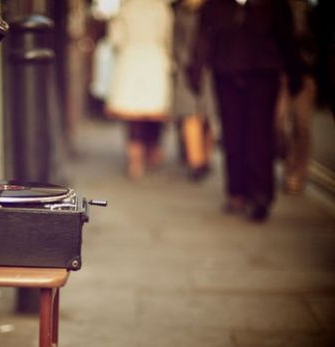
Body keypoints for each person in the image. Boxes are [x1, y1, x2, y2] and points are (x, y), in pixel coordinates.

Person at [188, 0, 304, 221]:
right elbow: (204, 36)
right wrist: (195, 71)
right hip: (226, 74)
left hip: (262, 75)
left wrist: (294, 73)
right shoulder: (216, 4)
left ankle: (260, 194)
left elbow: (285, 36)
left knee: (260, 136)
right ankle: (236, 191)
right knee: (233, 134)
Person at [105, 0, 174, 179]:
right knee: (153, 111)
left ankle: (135, 161)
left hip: (131, 60)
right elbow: (167, 37)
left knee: (133, 115)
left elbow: (115, 39)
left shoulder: (126, 8)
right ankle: (152, 150)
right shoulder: (162, 8)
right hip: (155, 59)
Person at [275, 0, 317, 194]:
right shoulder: (279, 7)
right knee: (279, 125)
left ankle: (297, 174)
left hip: (305, 75)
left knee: (301, 127)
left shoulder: (311, 9)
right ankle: (288, 168)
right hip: (282, 75)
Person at [172, 0, 216, 181]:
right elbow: (173, 41)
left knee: (207, 117)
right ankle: (196, 162)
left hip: (209, 69)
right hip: (186, 69)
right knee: (190, 115)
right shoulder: (177, 10)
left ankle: (205, 158)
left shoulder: (214, 8)